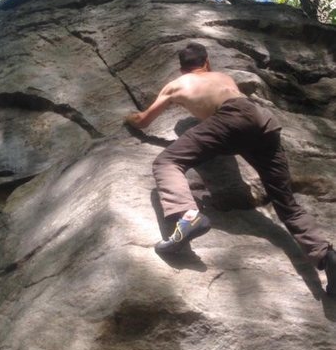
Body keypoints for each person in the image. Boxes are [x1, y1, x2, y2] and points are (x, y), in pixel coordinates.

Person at [125, 42, 336, 296]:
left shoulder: (176, 85)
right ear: (207, 63)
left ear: (183, 70)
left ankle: (188, 216)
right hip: (262, 120)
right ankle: (327, 257)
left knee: (167, 162)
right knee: (286, 203)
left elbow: (143, 121)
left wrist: (128, 117)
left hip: (230, 120)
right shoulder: (222, 77)